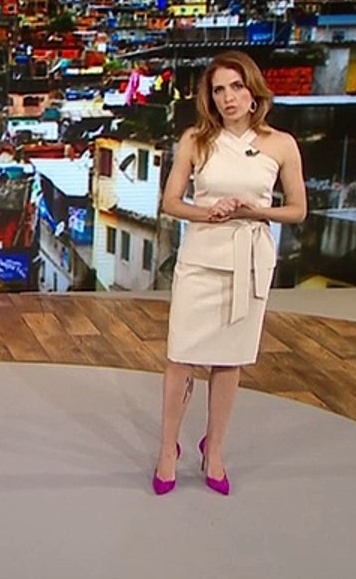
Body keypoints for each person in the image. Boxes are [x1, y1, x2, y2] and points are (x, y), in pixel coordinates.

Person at [152, 51, 308, 496]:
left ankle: (214, 448)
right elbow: (171, 202)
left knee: (228, 358)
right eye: (219, 90)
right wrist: (210, 212)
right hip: (202, 258)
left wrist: (254, 210)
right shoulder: (196, 140)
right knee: (181, 355)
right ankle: (167, 448)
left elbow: (297, 209)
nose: (228, 98)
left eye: (236, 87)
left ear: (253, 90)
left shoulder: (281, 144)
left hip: (250, 261)